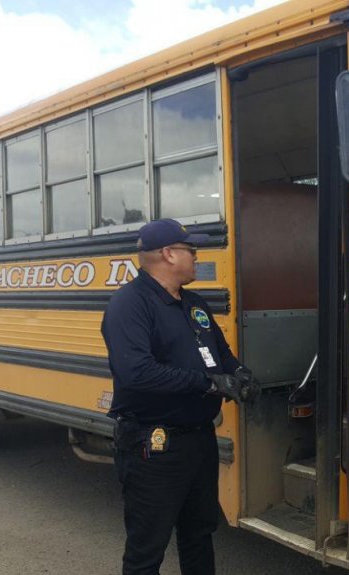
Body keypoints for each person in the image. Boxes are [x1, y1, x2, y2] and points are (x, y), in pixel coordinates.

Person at [102, 218, 260, 575]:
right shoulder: (130, 305)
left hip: (198, 441)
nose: (197, 256)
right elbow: (137, 372)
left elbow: (221, 353)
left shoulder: (194, 303)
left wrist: (238, 375)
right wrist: (208, 384)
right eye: (191, 250)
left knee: (199, 534)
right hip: (153, 445)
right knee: (147, 547)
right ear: (168, 254)